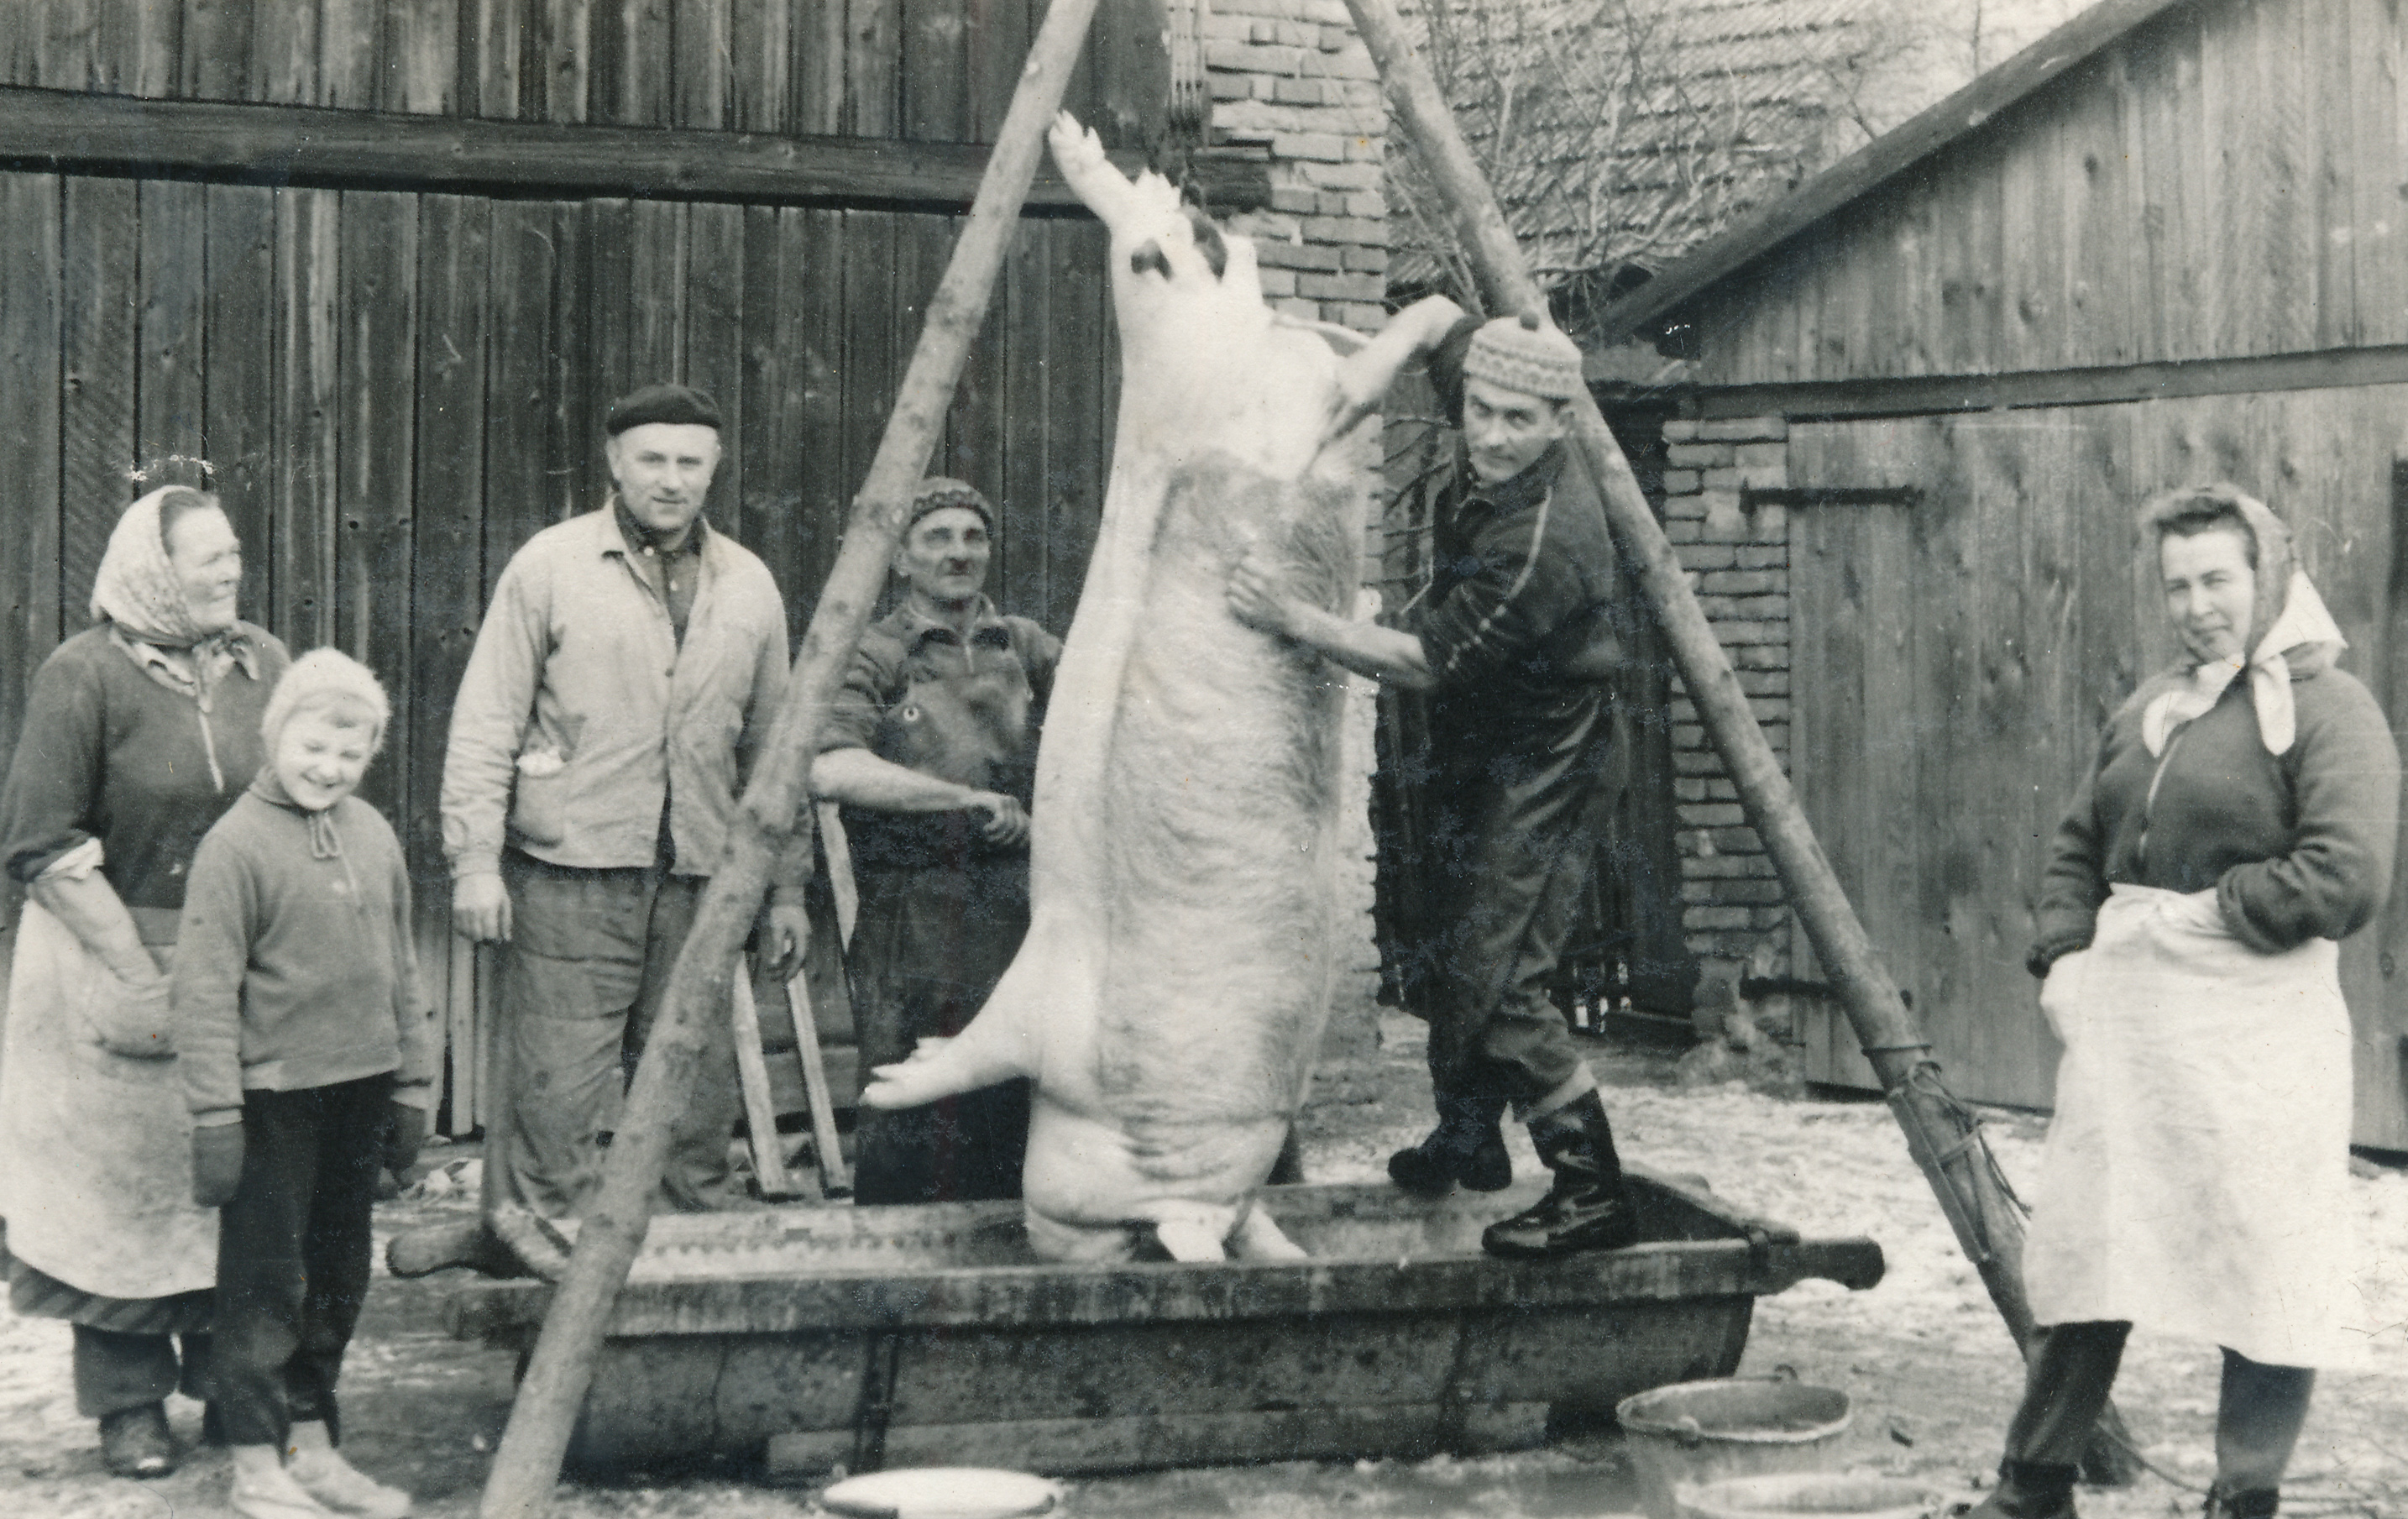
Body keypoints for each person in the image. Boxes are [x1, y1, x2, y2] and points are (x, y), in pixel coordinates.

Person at [1969, 485, 2400, 1519]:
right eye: (2177, 587)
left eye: (2218, 580)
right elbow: (2079, 842)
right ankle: (2035, 1484)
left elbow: (2347, 876)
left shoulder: (2330, 708)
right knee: (2095, 1242)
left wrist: (2213, 913)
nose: (2198, 607)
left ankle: (2244, 1494)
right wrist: (2065, 953)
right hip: (2136, 1026)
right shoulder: (2153, 706)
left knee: (2265, 1253)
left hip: (2259, 1023)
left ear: (2269, 577)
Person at [1227, 302, 1641, 1259]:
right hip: (1487, 735)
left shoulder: (1543, 543)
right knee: (1452, 942)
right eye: (1479, 410)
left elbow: (1420, 660)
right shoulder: (1497, 380)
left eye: (1517, 421)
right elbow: (1441, 315)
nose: (1490, 435)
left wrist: (1295, 618)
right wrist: (1384, 357)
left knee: (1504, 975)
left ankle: (1593, 1190)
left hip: (1551, 754)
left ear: (1561, 424)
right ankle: (1468, 1135)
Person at [441, 383, 809, 1275]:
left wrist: (786, 886)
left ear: (714, 470)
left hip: (701, 881)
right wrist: (475, 862)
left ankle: (684, 1290)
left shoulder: (750, 584)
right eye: (652, 459)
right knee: (554, 1102)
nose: (670, 480)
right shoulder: (550, 566)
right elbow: (487, 721)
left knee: (693, 1103)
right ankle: (541, 1290)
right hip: (572, 874)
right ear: (615, 462)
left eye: (690, 462)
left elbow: (775, 749)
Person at [0, 484, 291, 1477]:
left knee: (223, 1185)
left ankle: (226, 1384)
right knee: (119, 1202)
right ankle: (128, 1405)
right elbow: (39, 842)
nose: (232, 569)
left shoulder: (262, 662)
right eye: (208, 557)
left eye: (234, 552)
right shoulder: (83, 675)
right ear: (154, 574)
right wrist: (135, 973)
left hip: (236, 960)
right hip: (110, 951)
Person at [177, 649, 432, 1519]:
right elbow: (203, 993)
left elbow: (401, 964)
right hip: (274, 1102)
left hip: (360, 1088)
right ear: (275, 733)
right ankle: (257, 1461)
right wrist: (216, 1113)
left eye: (350, 754)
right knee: (266, 1284)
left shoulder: (375, 835)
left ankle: (313, 1449)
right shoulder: (234, 847)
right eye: (313, 746)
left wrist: (412, 1082)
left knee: (336, 1274)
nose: (328, 768)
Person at [812, 478, 1060, 1204]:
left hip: (1022, 909)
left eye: (973, 536)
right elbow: (830, 766)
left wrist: (1042, 821)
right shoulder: (875, 652)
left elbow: (1107, 729)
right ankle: (899, 1262)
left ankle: (1015, 1256)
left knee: (1020, 1095)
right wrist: (964, 801)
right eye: (937, 537)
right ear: (900, 558)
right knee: (913, 1103)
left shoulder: (1026, 646)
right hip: (912, 916)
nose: (959, 553)